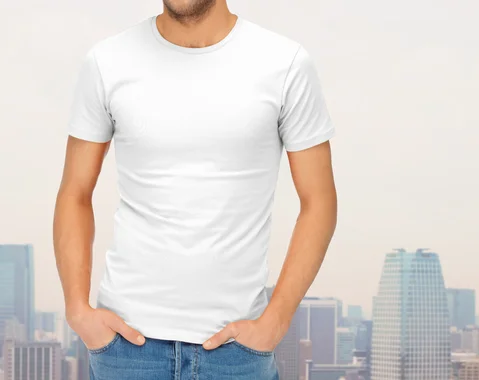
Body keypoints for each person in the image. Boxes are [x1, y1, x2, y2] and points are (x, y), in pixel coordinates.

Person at [52, 1, 337, 379]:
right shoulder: (108, 61)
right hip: (126, 351)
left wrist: (276, 322)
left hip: (238, 354)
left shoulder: (284, 63)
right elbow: (74, 191)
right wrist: (77, 309)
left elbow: (319, 201)